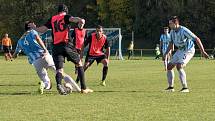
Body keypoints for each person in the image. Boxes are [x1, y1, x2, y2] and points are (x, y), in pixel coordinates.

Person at [28, 4, 93, 94]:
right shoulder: (65, 16)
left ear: (58, 11)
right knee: (79, 64)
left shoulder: (53, 18)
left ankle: (59, 84)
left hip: (56, 47)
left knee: (59, 70)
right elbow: (73, 19)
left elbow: (42, 29)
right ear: (65, 11)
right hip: (66, 45)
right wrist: (80, 20)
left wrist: (35, 28)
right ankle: (84, 88)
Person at [13, 21, 81, 95]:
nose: (35, 25)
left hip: (35, 62)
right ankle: (78, 89)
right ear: (29, 26)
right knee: (61, 73)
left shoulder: (20, 41)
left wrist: (14, 56)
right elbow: (38, 38)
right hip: (44, 55)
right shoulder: (32, 32)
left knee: (47, 82)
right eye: (33, 24)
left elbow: (15, 54)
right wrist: (45, 49)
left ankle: (43, 85)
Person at [163, 16, 209, 92]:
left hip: (188, 50)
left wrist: (203, 51)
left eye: (171, 24)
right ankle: (171, 88)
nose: (169, 26)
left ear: (176, 23)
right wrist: (165, 54)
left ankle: (185, 88)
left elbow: (197, 39)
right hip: (180, 50)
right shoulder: (172, 32)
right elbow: (171, 44)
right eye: (169, 24)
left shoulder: (184, 30)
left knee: (179, 65)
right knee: (169, 66)